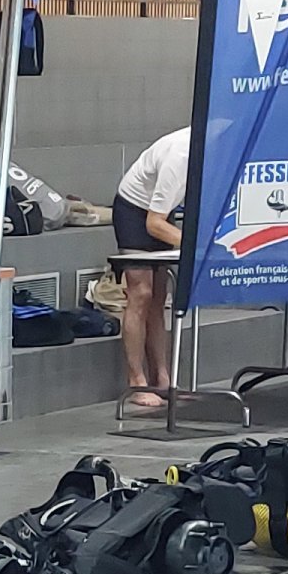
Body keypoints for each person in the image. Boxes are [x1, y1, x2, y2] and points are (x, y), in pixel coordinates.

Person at [112, 123, 190, 412]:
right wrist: (195, 245)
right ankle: (136, 380)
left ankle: (162, 378)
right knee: (140, 294)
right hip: (134, 210)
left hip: (161, 211)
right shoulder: (179, 156)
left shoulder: (214, 149)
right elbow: (153, 224)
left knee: (159, 298)